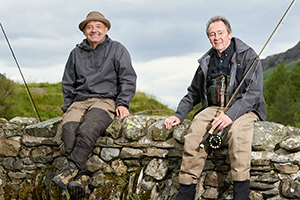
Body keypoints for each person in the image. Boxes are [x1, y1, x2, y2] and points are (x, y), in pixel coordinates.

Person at [164, 16, 267, 200]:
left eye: (220, 33)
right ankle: (185, 194)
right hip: (214, 107)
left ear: (230, 34)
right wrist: (178, 115)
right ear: (209, 38)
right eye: (212, 34)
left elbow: (254, 92)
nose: (216, 37)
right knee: (194, 134)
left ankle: (241, 195)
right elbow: (193, 93)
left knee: (238, 133)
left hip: (245, 108)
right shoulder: (207, 61)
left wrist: (231, 116)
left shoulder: (249, 55)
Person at [51, 11, 137, 197]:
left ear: (106, 29)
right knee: (68, 129)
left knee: (89, 127)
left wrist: (123, 103)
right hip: (80, 100)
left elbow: (128, 78)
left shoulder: (117, 49)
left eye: (98, 26)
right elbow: (68, 82)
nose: (94, 30)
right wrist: (67, 108)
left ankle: (71, 167)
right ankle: (81, 177)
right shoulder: (75, 53)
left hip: (105, 100)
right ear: (84, 32)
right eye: (89, 27)